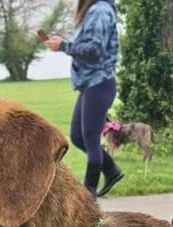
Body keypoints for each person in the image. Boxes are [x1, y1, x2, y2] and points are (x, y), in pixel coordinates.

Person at [44, 0, 124, 199]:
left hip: (99, 83)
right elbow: (87, 45)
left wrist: (63, 45)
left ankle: (88, 195)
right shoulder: (93, 10)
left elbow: (94, 51)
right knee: (78, 136)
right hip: (90, 85)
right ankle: (111, 170)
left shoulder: (100, 11)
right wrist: (63, 44)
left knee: (89, 139)